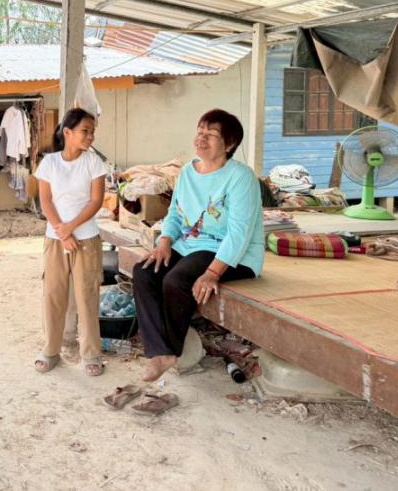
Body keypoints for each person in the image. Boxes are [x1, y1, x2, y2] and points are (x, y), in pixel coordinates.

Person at [133, 109, 264, 382]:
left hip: (231, 254)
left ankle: (170, 350)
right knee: (144, 271)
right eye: (200, 132)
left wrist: (213, 273)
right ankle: (158, 351)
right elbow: (175, 214)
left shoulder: (241, 177)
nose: (201, 139)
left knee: (176, 280)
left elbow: (239, 233)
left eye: (211, 134)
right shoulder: (187, 172)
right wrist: (164, 242)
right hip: (191, 245)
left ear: (229, 144)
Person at [33, 108, 107, 377]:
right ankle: (51, 350)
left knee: (87, 296)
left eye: (92, 132)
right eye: (85, 131)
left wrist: (71, 228)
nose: (90, 136)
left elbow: (96, 201)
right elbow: (45, 200)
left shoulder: (94, 163)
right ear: (67, 132)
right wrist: (63, 233)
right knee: (53, 295)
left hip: (86, 239)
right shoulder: (49, 163)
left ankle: (91, 354)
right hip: (55, 240)